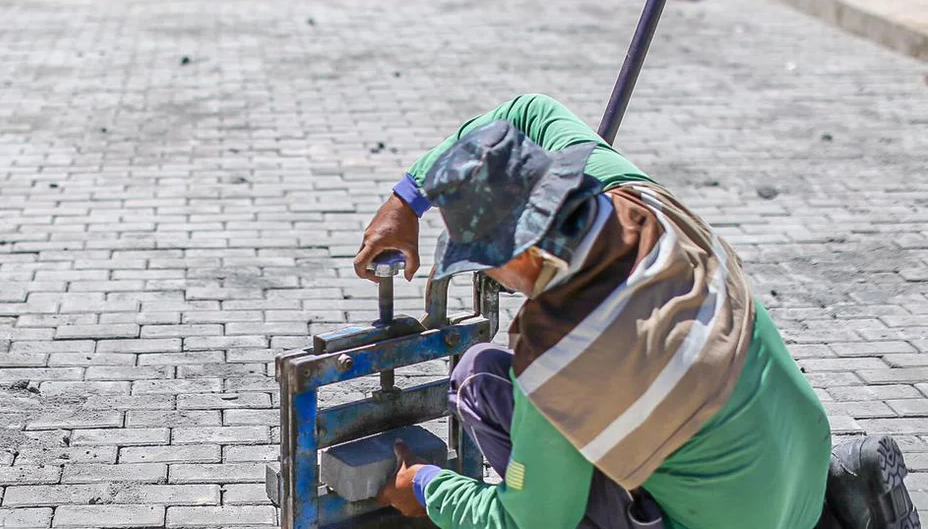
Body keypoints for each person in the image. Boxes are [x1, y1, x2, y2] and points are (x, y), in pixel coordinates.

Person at [354, 94, 920, 529]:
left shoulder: (556, 360)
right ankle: (836, 504)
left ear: (523, 253)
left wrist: (428, 486)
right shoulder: (640, 198)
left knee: (478, 378)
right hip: (796, 477)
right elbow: (530, 109)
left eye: (484, 260)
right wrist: (408, 196)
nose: (486, 274)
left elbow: (529, 520)